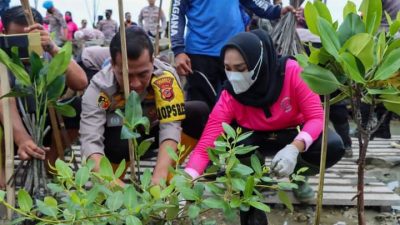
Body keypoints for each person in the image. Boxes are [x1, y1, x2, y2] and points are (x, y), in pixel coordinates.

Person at [184, 30, 345, 225]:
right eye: (228, 68)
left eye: (241, 68)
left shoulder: (292, 72)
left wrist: (295, 148)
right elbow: (204, 147)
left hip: (291, 135)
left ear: (258, 63)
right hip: (252, 141)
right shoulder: (230, 95)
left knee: (332, 145)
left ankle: (297, 177)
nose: (234, 76)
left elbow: (316, 118)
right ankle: (253, 193)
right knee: (234, 147)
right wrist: (186, 181)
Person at [79, 27, 208, 185]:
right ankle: (113, 181)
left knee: (199, 112)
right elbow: (90, 141)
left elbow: (171, 127)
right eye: (126, 75)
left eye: (142, 74)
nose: (135, 84)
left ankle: (167, 177)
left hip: (153, 126)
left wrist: (159, 175)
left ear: (153, 61)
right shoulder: (99, 88)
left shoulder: (165, 78)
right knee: (119, 142)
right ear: (113, 65)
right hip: (117, 140)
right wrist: (111, 183)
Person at [0, 6, 88, 188]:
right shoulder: (3, 59)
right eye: (16, 38)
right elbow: (5, 102)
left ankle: (50, 160)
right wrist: (22, 138)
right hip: (8, 127)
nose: (23, 46)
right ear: (4, 33)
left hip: (43, 124)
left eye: (28, 39)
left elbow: (80, 83)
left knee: (79, 108)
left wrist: (52, 47)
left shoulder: (47, 52)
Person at [170, 0, 295, 110]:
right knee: (203, 106)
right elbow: (176, 13)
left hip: (234, 52)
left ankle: (238, 135)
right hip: (200, 54)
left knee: (240, 101)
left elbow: (253, 2)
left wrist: (277, 11)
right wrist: (178, 50)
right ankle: (205, 136)